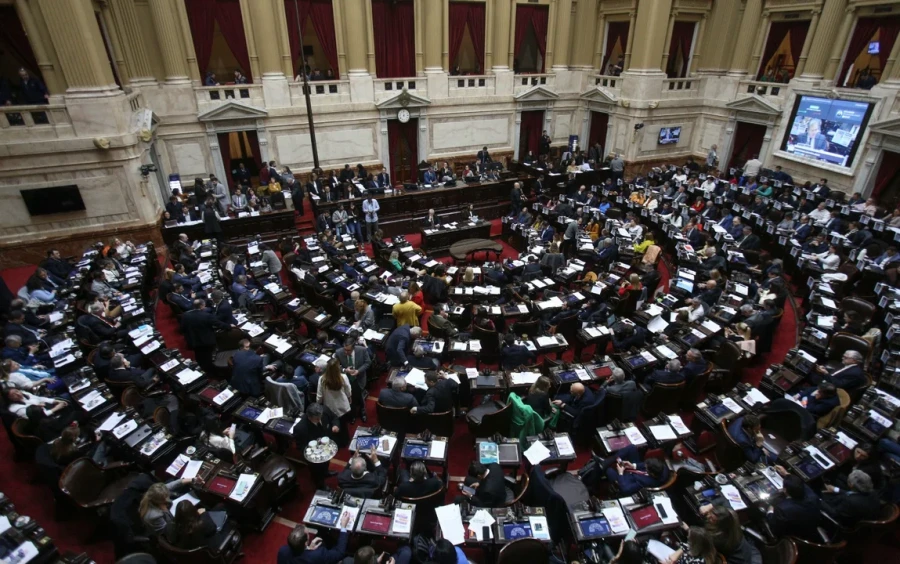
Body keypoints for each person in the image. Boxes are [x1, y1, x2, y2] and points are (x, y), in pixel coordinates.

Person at [765, 470, 821, 540]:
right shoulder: (813, 497)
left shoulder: (783, 509)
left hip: (795, 538)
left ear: (785, 490)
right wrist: (787, 474)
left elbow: (775, 529)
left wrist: (770, 511)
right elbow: (802, 485)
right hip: (811, 530)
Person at [181, 299, 232, 374]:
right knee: (208, 356)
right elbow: (219, 324)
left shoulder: (185, 315)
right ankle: (211, 371)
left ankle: (202, 369)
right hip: (206, 341)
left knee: (198, 355)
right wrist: (229, 326)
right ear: (202, 306)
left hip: (193, 340)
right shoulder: (206, 316)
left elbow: (182, 328)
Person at [335, 338, 371, 424]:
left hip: (359, 378)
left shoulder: (362, 350)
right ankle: (353, 413)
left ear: (354, 348)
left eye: (348, 350)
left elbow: (368, 362)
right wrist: (344, 370)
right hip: (346, 380)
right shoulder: (338, 352)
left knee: (359, 395)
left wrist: (358, 371)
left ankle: (362, 410)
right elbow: (335, 366)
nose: (346, 352)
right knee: (350, 397)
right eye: (345, 349)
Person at [278, 523, 349, 564]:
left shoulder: (282, 551)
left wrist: (309, 549)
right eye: (308, 534)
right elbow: (339, 553)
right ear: (305, 543)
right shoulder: (318, 554)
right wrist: (343, 527)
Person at [317, 359, 352, 431]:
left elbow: (319, 396)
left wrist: (318, 404)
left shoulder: (321, 379)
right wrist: (349, 398)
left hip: (329, 407)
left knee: (332, 426)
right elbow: (348, 391)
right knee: (343, 426)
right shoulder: (343, 377)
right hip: (342, 406)